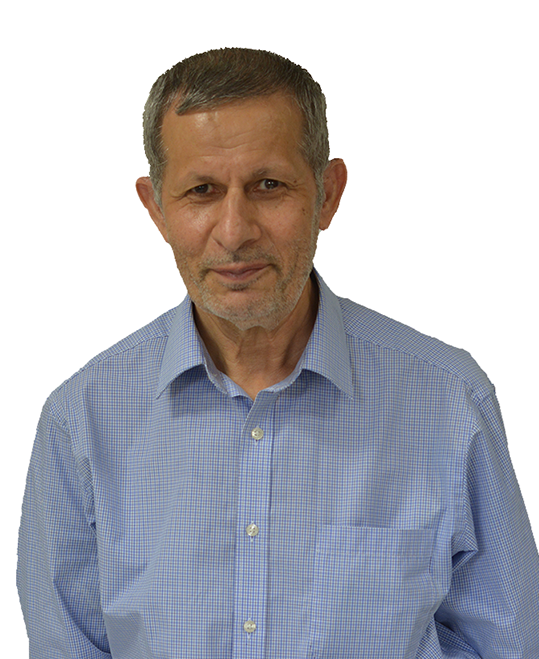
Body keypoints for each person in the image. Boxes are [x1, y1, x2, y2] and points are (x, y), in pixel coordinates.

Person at [17, 47, 539, 658]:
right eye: (201, 191)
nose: (235, 231)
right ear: (156, 207)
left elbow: (509, 645)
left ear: (327, 193)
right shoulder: (81, 422)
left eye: (269, 186)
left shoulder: (449, 401)